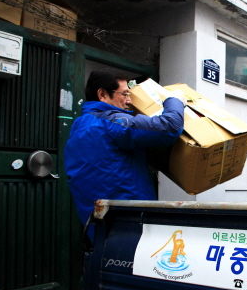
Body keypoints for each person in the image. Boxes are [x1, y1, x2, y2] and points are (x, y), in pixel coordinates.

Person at [65, 68, 185, 240]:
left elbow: (108, 163)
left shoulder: (80, 125)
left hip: (99, 225)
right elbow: (169, 126)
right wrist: (175, 100)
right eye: (125, 94)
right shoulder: (113, 121)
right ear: (102, 94)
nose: (129, 100)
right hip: (130, 223)